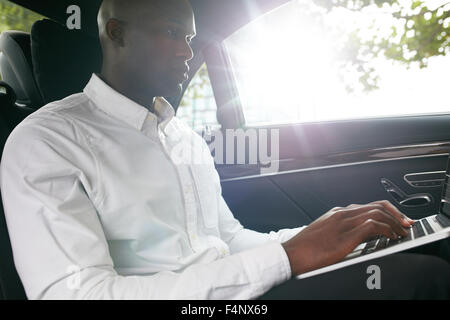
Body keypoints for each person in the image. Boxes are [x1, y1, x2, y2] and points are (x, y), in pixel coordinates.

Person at [1, 0, 449, 300]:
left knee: (411, 262)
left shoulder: (182, 137)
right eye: (173, 33)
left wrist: (331, 236)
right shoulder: (48, 140)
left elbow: (226, 240)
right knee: (420, 281)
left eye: (192, 40)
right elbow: (76, 293)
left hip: (231, 295)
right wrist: (287, 257)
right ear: (116, 33)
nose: (186, 51)